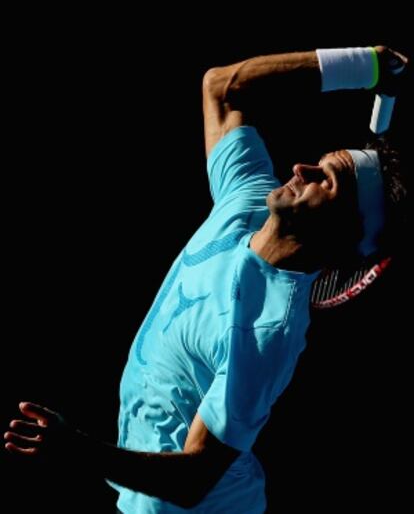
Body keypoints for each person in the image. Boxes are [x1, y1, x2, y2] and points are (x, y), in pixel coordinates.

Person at [4, 45, 409, 513]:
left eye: (327, 180)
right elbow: (223, 86)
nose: (302, 168)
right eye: (319, 160)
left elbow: (193, 477)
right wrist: (367, 64)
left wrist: (76, 450)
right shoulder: (248, 195)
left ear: (344, 235)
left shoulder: (265, 331)